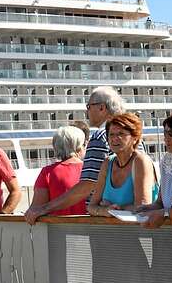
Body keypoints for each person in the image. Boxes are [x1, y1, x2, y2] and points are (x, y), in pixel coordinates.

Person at [25, 86, 124, 223]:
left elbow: (88, 185)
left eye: (89, 106)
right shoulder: (131, 135)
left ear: (102, 108)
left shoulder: (100, 137)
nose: (86, 111)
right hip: (128, 213)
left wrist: (44, 209)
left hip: (108, 218)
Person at [88, 114, 157, 216]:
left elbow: (143, 208)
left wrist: (115, 208)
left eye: (121, 134)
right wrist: (105, 211)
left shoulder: (140, 161)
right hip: (114, 230)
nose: (115, 138)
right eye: (111, 134)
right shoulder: (107, 163)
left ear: (135, 138)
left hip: (141, 230)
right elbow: (91, 207)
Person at [29, 126, 87, 217]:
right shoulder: (92, 170)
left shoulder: (47, 172)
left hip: (56, 229)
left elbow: (36, 209)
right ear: (79, 147)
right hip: (90, 228)